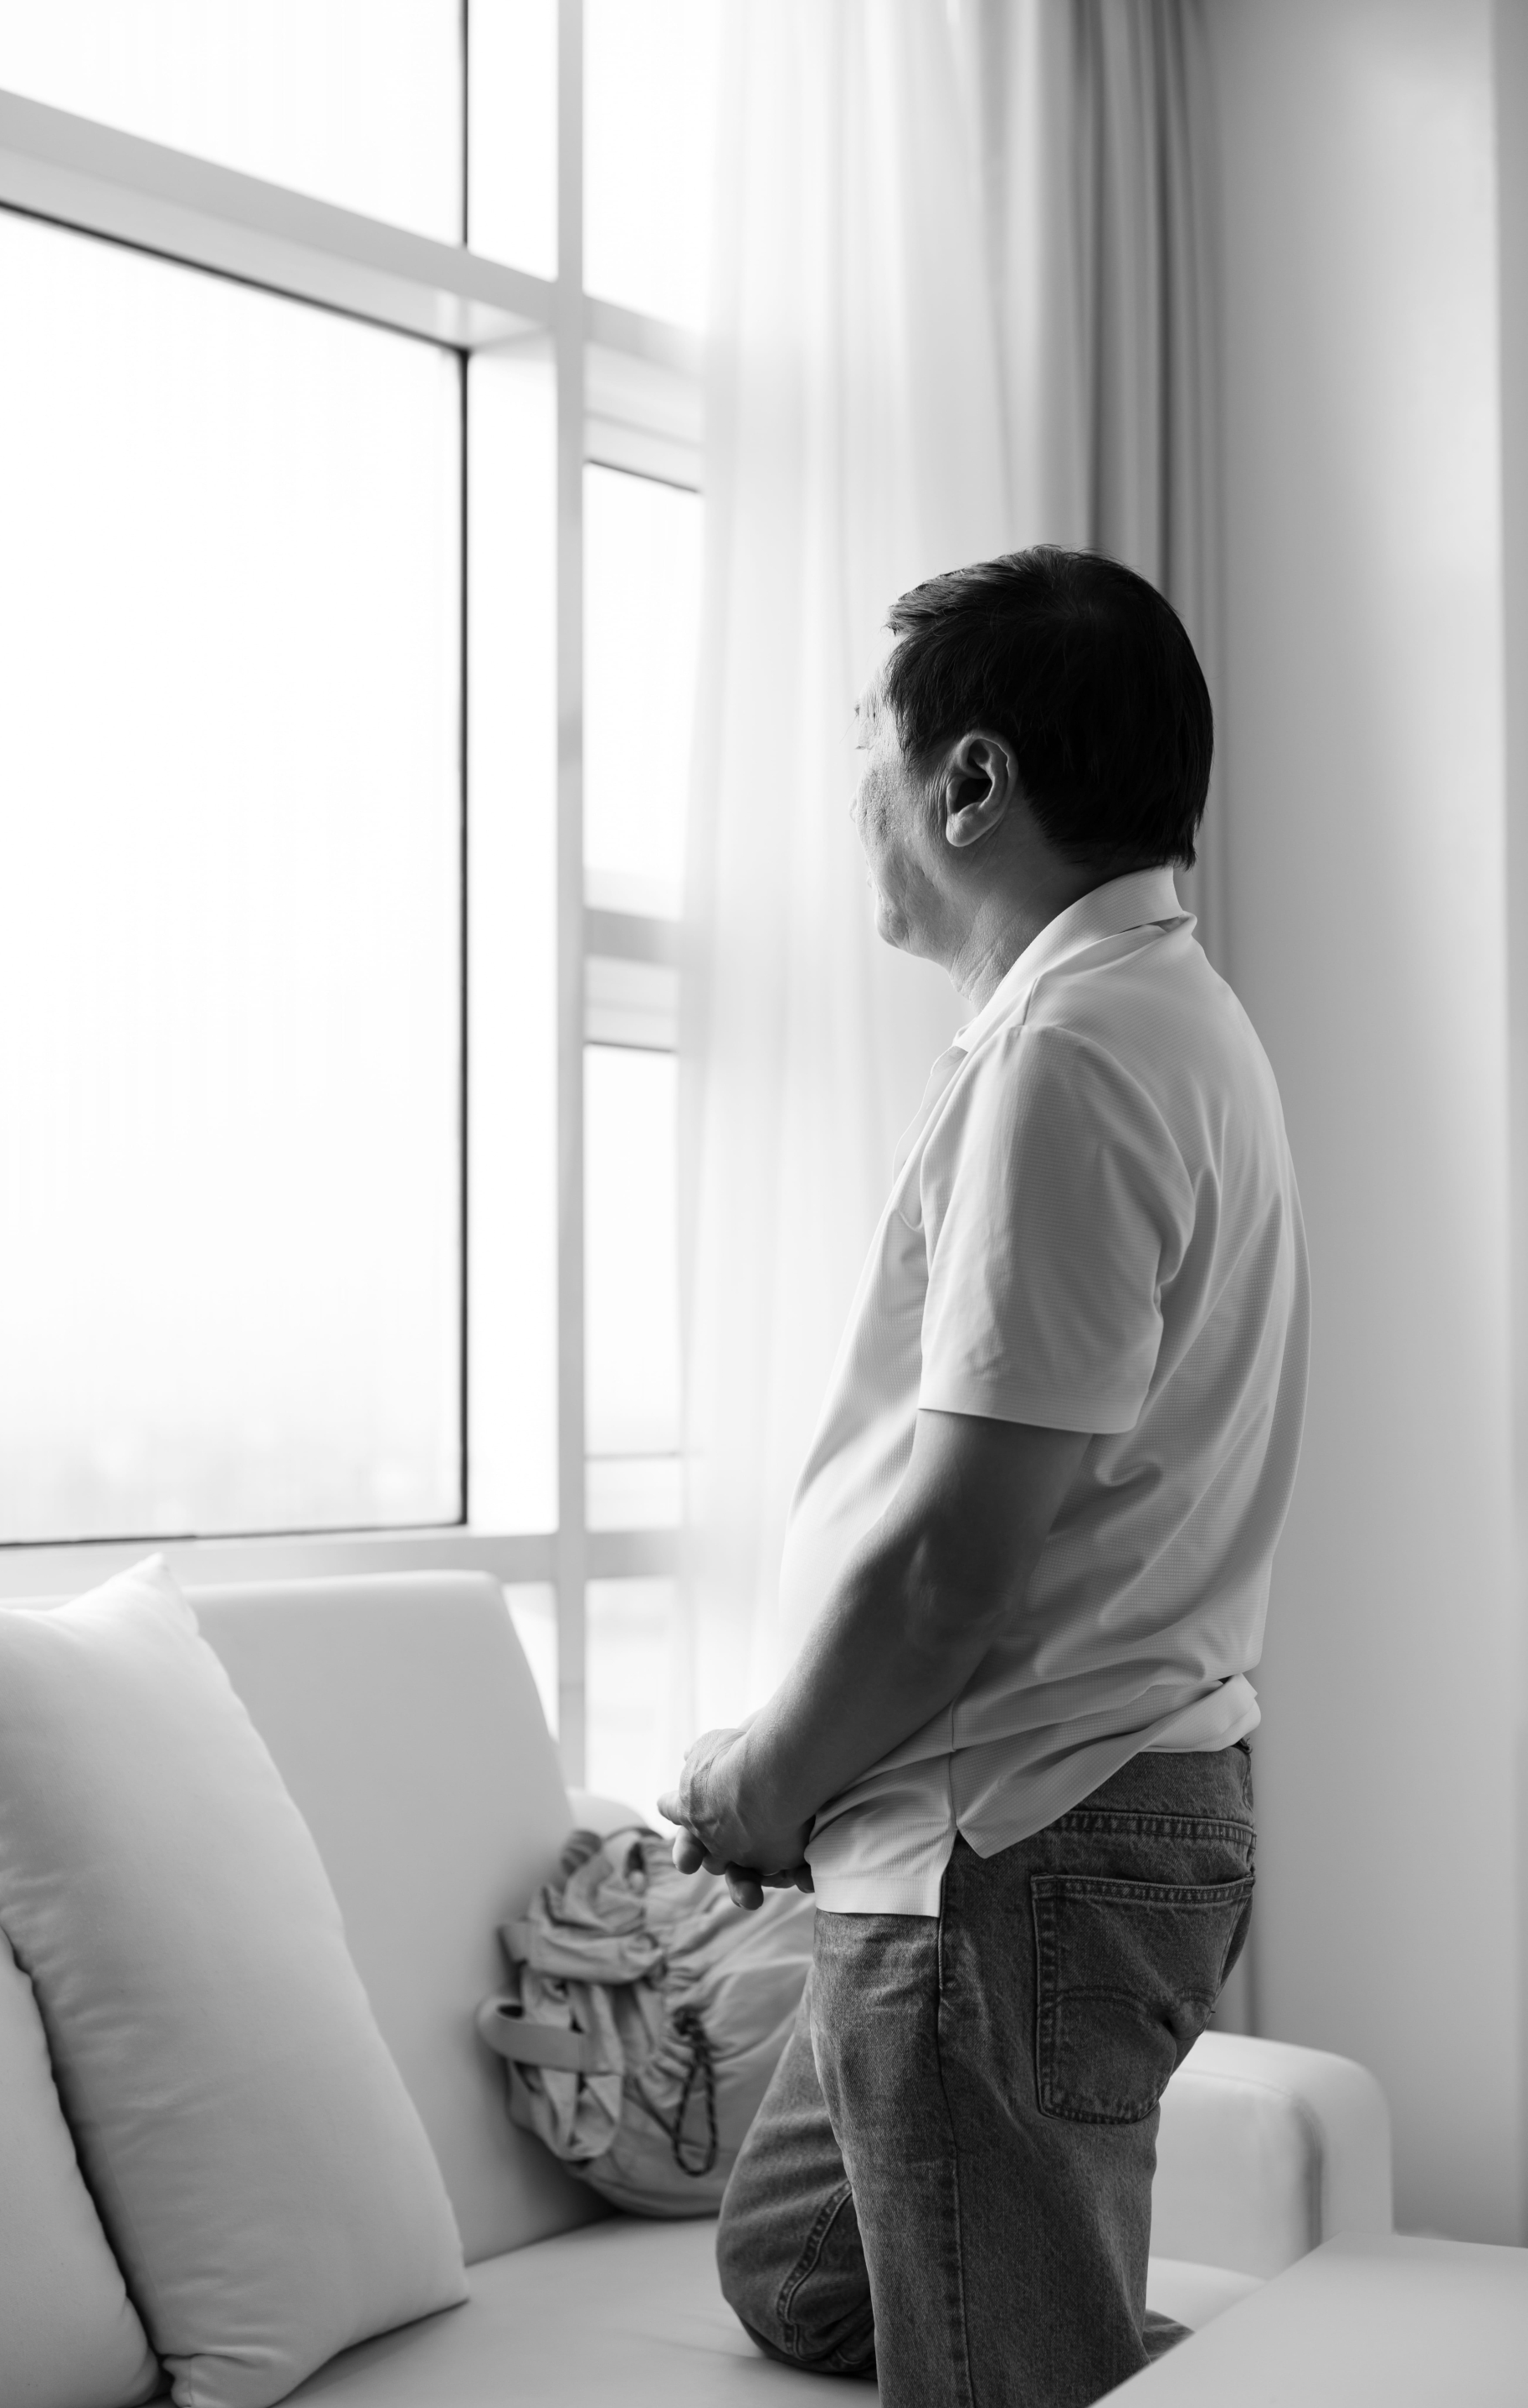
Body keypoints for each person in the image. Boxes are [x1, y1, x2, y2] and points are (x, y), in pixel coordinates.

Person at [658, 546, 1309, 2408]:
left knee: (1009, 2369)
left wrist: (765, 1781)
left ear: (971, 783)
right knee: (797, 2265)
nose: (851, 798)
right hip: (1076, 1806)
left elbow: (958, 1558)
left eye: (868, 748)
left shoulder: (1073, 1049)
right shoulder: (1167, 1012)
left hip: (1013, 1835)